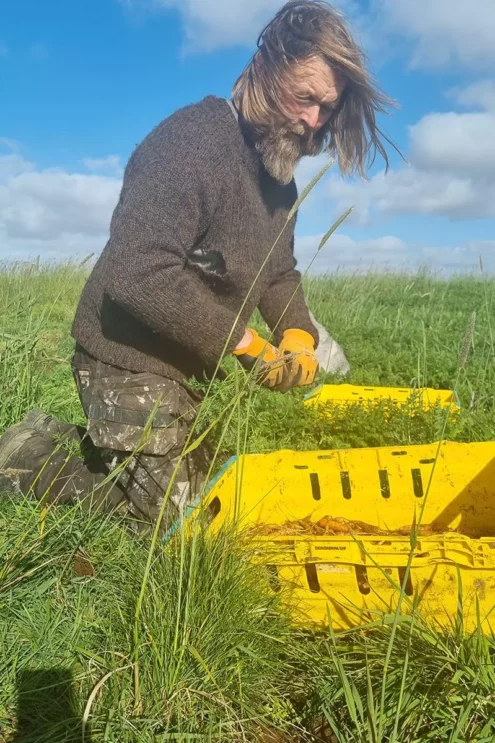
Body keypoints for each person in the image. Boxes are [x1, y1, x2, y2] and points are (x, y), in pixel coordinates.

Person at [0, 0, 397, 535]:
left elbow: (277, 273)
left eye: (327, 108)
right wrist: (248, 345)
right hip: (123, 359)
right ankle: (24, 457)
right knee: (177, 517)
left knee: (217, 482)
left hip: (186, 369)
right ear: (265, 68)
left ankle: (108, 447)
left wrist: (297, 333)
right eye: (305, 98)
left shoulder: (278, 181)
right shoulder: (188, 144)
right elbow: (135, 272)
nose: (313, 121)